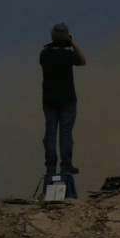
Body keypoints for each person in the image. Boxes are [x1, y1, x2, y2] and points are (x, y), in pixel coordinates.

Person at [39, 23, 87, 175]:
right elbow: (82, 60)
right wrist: (73, 44)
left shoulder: (44, 54)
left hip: (49, 99)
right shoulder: (67, 55)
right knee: (66, 134)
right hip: (67, 99)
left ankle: (50, 167)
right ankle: (65, 166)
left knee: (50, 132)